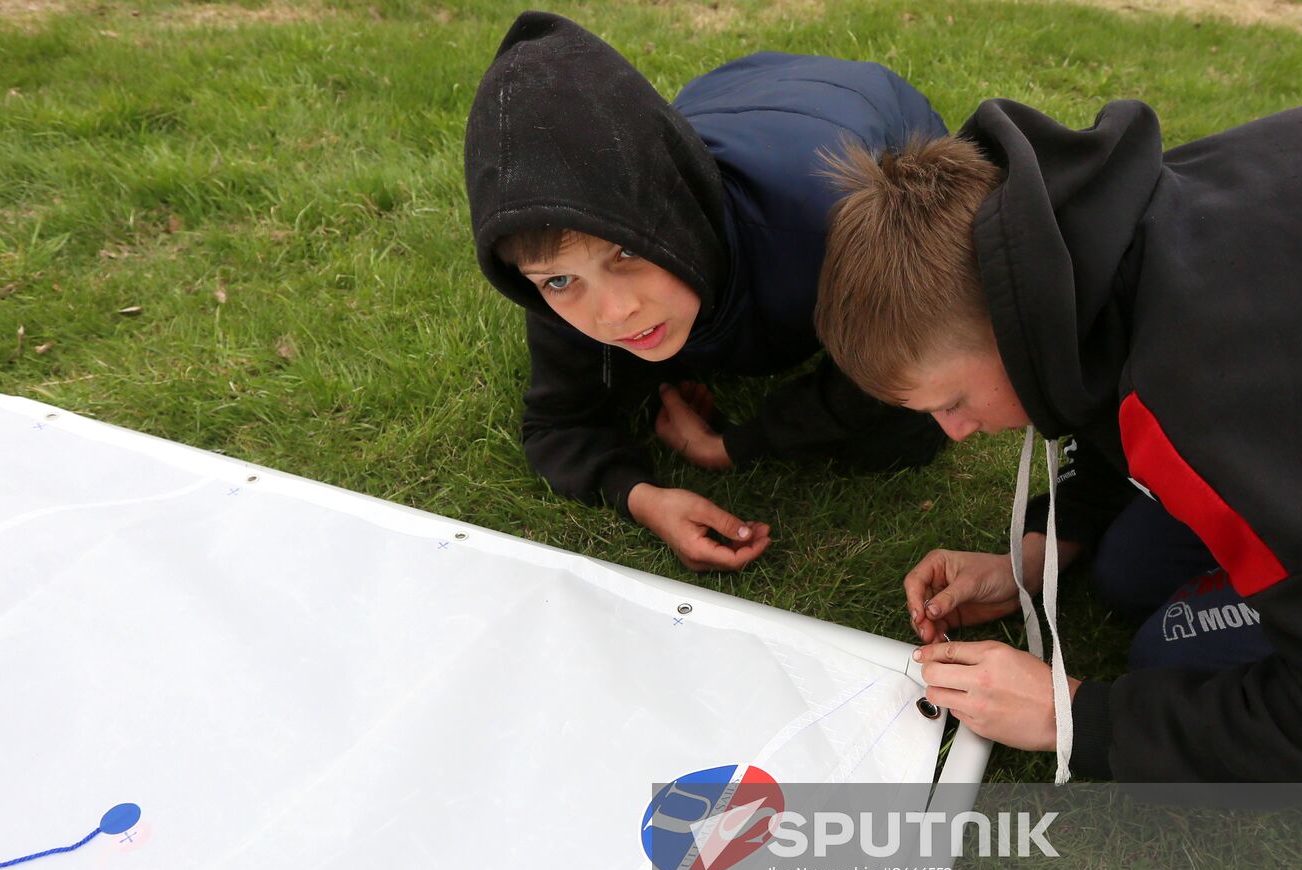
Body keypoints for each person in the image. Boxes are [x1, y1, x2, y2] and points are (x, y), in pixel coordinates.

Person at [814, 100, 1302, 781]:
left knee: (1170, 649)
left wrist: (1069, 714)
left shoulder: (1197, 398)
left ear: (1019, 327)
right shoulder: (1098, 238)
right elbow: (1099, 382)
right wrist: (1046, 546)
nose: (954, 431)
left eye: (952, 401)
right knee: (1126, 565)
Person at [463, 10, 947, 572]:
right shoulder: (556, 274)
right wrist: (645, 500)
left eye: (627, 251)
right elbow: (558, 422)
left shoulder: (827, 226)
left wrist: (735, 445)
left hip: (860, 121)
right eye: (561, 281)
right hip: (731, 98)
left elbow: (897, 376)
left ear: (672, 211)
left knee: (904, 437)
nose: (615, 311)